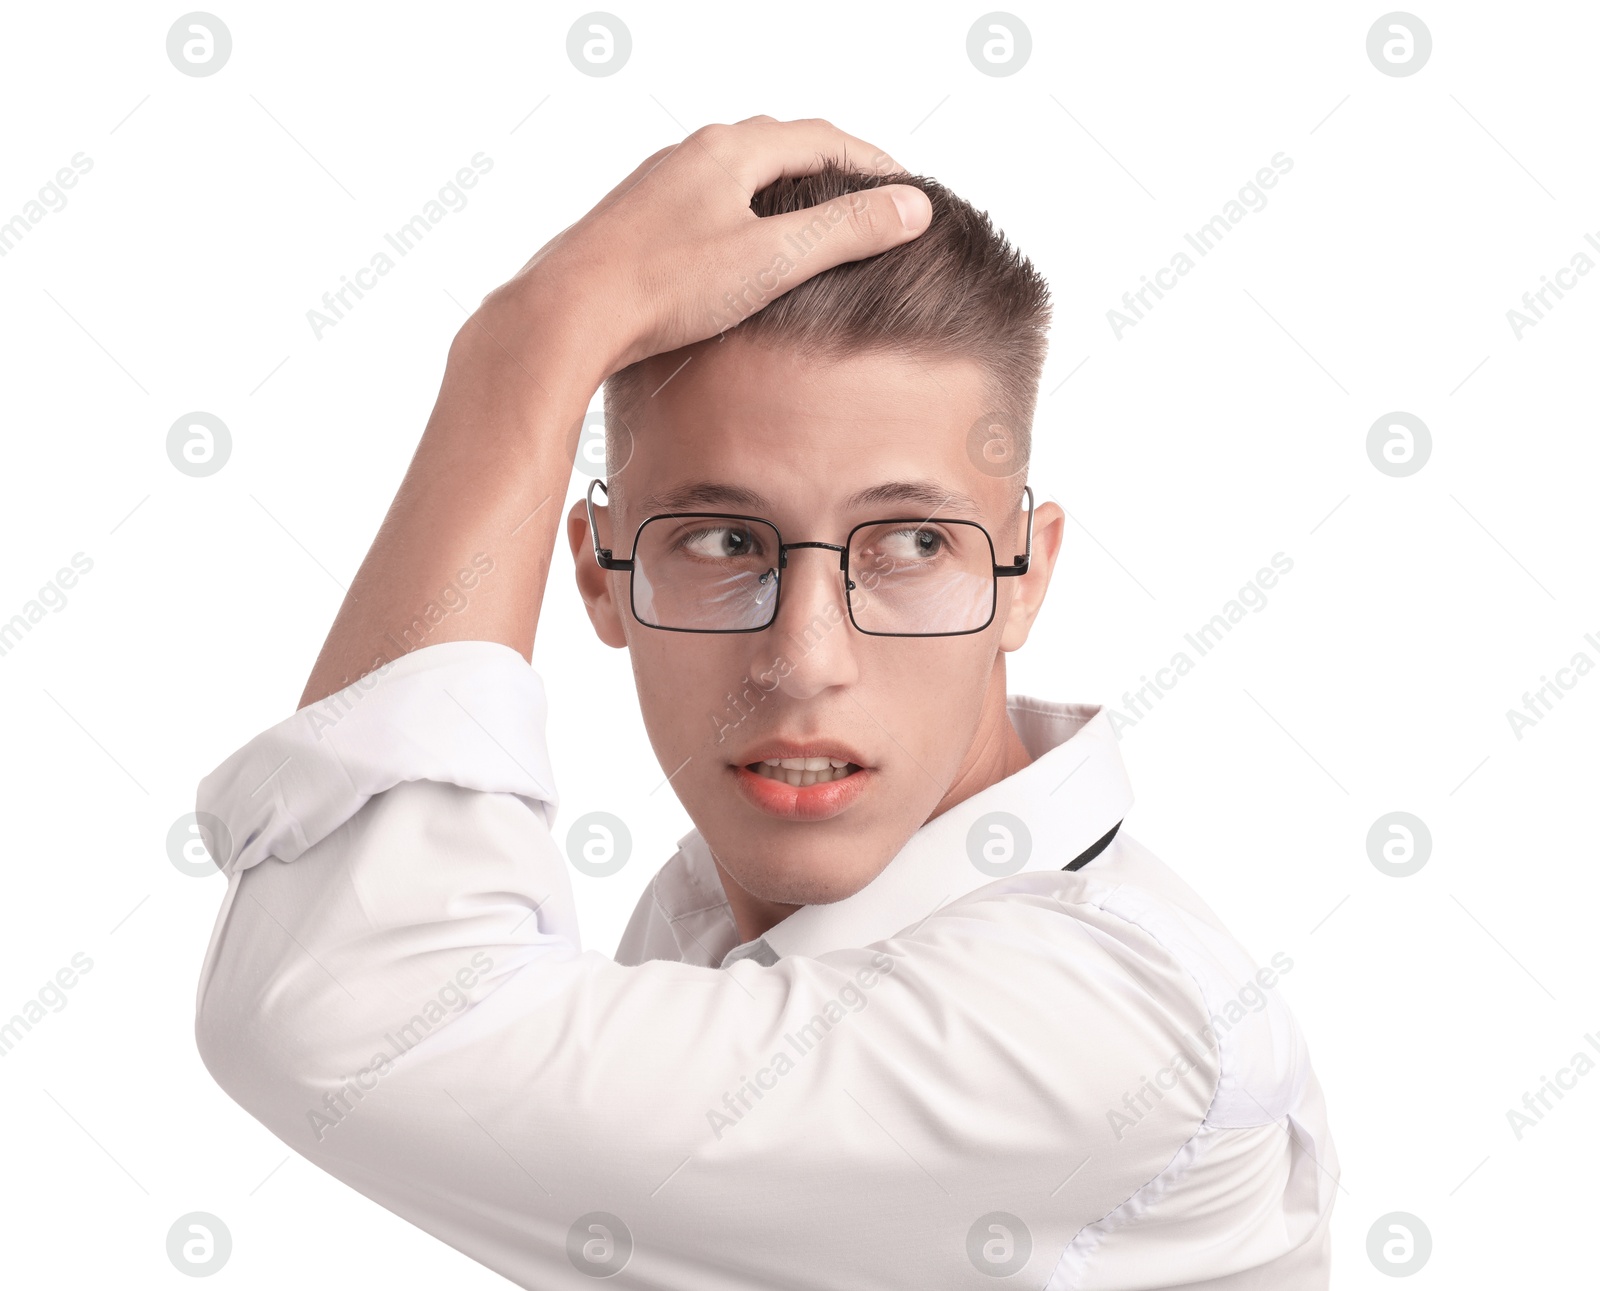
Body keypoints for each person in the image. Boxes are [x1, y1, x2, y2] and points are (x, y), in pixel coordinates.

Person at [193, 117, 1338, 1288]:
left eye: (909, 542)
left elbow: (343, 1004)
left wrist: (531, 341)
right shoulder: (708, 919)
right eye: (726, 539)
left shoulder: (1086, 1023)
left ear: (1024, 578)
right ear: (598, 570)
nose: (805, 657)